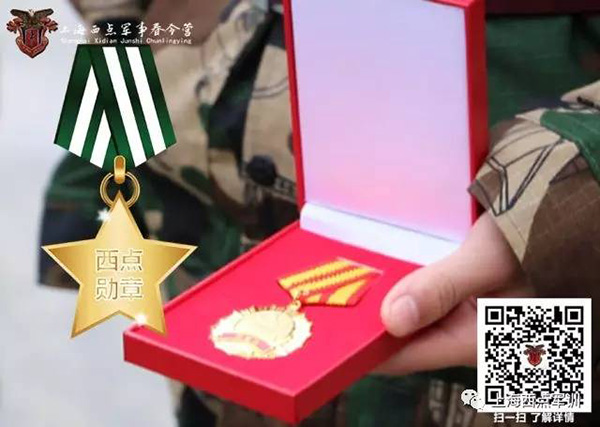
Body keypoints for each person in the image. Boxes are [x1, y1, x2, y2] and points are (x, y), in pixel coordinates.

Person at [40, 0, 600, 425]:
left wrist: (574, 190)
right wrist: (121, 32)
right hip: (216, 145)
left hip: (530, 220)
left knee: (550, 380)